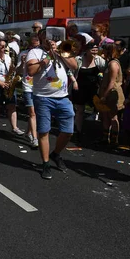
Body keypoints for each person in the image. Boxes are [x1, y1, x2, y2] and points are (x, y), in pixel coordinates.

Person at [26, 29, 77, 180]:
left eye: (51, 38)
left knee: (68, 131)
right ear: (41, 38)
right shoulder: (34, 52)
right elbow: (30, 71)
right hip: (43, 98)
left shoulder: (62, 49)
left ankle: (56, 154)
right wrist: (47, 58)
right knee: (44, 131)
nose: (49, 40)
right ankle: (46, 163)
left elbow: (74, 66)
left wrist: (59, 53)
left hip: (62, 97)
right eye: (45, 37)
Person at [0, 37, 24, 136]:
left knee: (12, 106)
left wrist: (13, 69)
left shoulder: (8, 57)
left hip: (8, 84)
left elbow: (11, 71)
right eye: (2, 46)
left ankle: (15, 127)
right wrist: (1, 83)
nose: (4, 48)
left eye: (5, 46)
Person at [70, 42, 105, 139]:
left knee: (100, 109)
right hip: (80, 88)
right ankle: (78, 131)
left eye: (96, 49)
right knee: (80, 110)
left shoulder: (99, 60)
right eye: (92, 50)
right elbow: (70, 71)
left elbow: (105, 69)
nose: (94, 52)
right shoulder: (78, 59)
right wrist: (74, 81)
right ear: (87, 50)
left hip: (94, 88)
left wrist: (101, 77)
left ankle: (103, 131)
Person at [96, 43, 125, 145]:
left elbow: (112, 82)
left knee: (113, 116)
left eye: (104, 50)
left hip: (112, 94)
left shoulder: (113, 64)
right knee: (105, 115)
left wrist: (105, 95)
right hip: (105, 92)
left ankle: (114, 139)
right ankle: (105, 137)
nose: (102, 52)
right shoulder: (109, 63)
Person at [17, 33, 40, 149]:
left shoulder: (42, 54)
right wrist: (22, 62)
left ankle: (28, 132)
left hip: (40, 87)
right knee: (32, 113)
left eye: (37, 45)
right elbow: (18, 71)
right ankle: (34, 138)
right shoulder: (23, 54)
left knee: (35, 113)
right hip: (28, 86)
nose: (35, 48)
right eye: (33, 45)